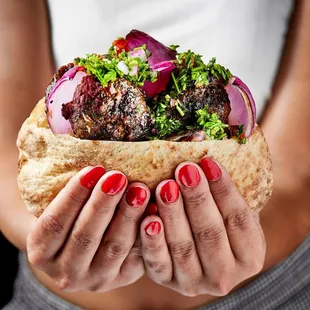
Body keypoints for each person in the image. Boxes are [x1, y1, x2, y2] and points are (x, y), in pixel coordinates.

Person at [0, 0, 309, 309]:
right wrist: (48, 239)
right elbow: (11, 141)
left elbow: (297, 161)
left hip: (273, 294)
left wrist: (249, 246)